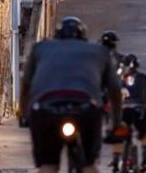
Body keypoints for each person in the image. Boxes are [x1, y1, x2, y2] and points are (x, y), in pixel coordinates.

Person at [20, 17, 122, 173]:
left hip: (46, 108)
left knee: (48, 165)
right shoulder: (100, 51)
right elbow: (115, 91)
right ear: (83, 37)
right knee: (89, 164)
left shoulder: (40, 49)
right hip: (86, 108)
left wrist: (25, 114)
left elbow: (26, 85)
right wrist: (116, 124)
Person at [112, 54, 146, 173]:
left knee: (118, 136)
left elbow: (113, 97)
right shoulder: (144, 78)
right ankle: (145, 158)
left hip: (124, 112)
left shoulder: (119, 79)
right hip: (139, 111)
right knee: (143, 134)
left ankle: (116, 161)